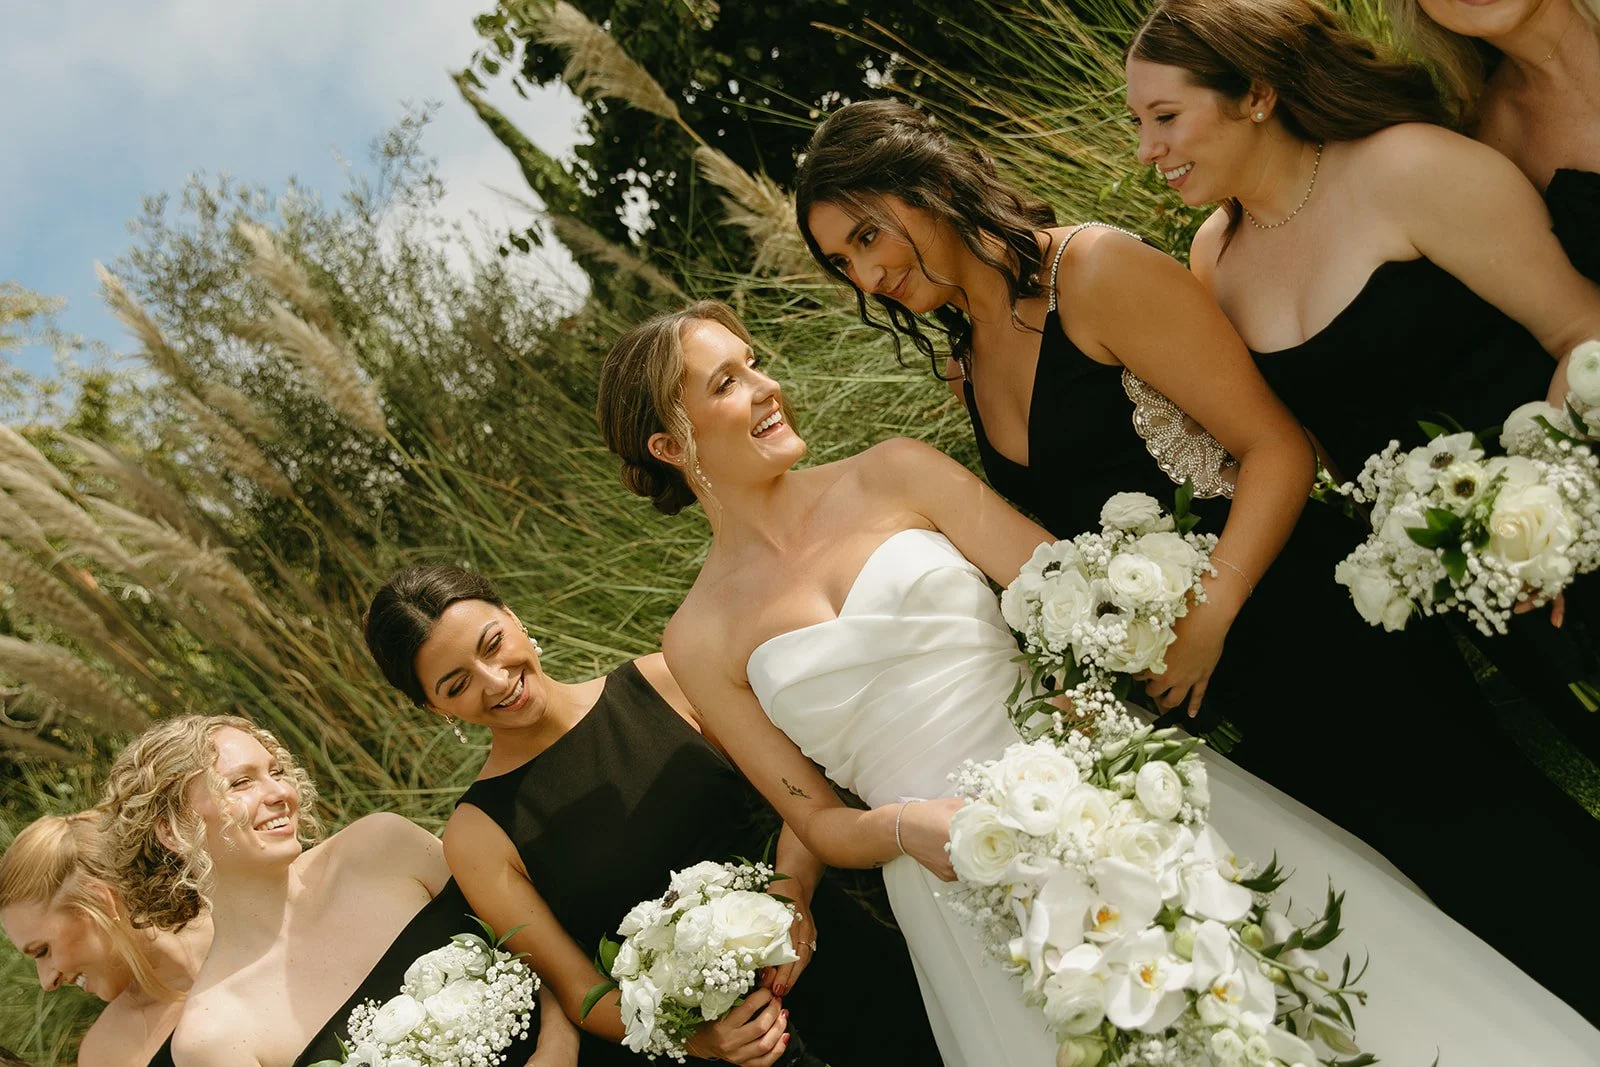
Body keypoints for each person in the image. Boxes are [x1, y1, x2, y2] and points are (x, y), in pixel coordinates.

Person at [594, 300, 1600, 1063]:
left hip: (1103, 791)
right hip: (957, 887)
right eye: (727, 382)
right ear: (669, 445)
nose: (767, 385)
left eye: (754, 362)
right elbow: (815, 818)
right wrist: (914, 829)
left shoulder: (894, 473)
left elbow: (1061, 596)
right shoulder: (697, 633)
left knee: (1296, 1014)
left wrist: (1099, 745)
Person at [791, 96, 1600, 1016]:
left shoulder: (1095, 272)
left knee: (1502, 853)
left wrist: (1210, 612)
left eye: (868, 234)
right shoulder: (966, 362)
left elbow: (1277, 446)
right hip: (1217, 700)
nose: (868, 273)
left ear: (929, 183)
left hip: (1310, 625)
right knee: (1412, 915)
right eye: (843, 262)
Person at [1126, 0, 1600, 777]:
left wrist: (1540, 518)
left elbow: (1581, 330)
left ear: (1256, 94)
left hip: (1571, 509)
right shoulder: (1214, 258)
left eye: (1166, 116)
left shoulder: (1409, 168)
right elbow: (1301, 446)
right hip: (1467, 584)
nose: (1148, 149)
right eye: (1138, 123)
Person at [363, 565, 941, 1067]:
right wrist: (697, 1039)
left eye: (491, 644)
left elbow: (803, 796)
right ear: (433, 707)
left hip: (844, 953)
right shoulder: (476, 834)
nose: (496, 681)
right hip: (732, 1054)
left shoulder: (664, 680)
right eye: (457, 683)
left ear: (513, 618)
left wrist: (794, 896)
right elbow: (580, 992)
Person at [97, 714, 576, 1067]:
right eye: (241, 782)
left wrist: (559, 1045)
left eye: (276, 772)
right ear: (172, 830)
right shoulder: (214, 1034)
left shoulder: (384, 847)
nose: (279, 793)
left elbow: (541, 942)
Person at [0, 812, 211, 1067]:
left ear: (99, 900)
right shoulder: (105, 1052)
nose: (47, 983)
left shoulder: (255, 938)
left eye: (43, 950)